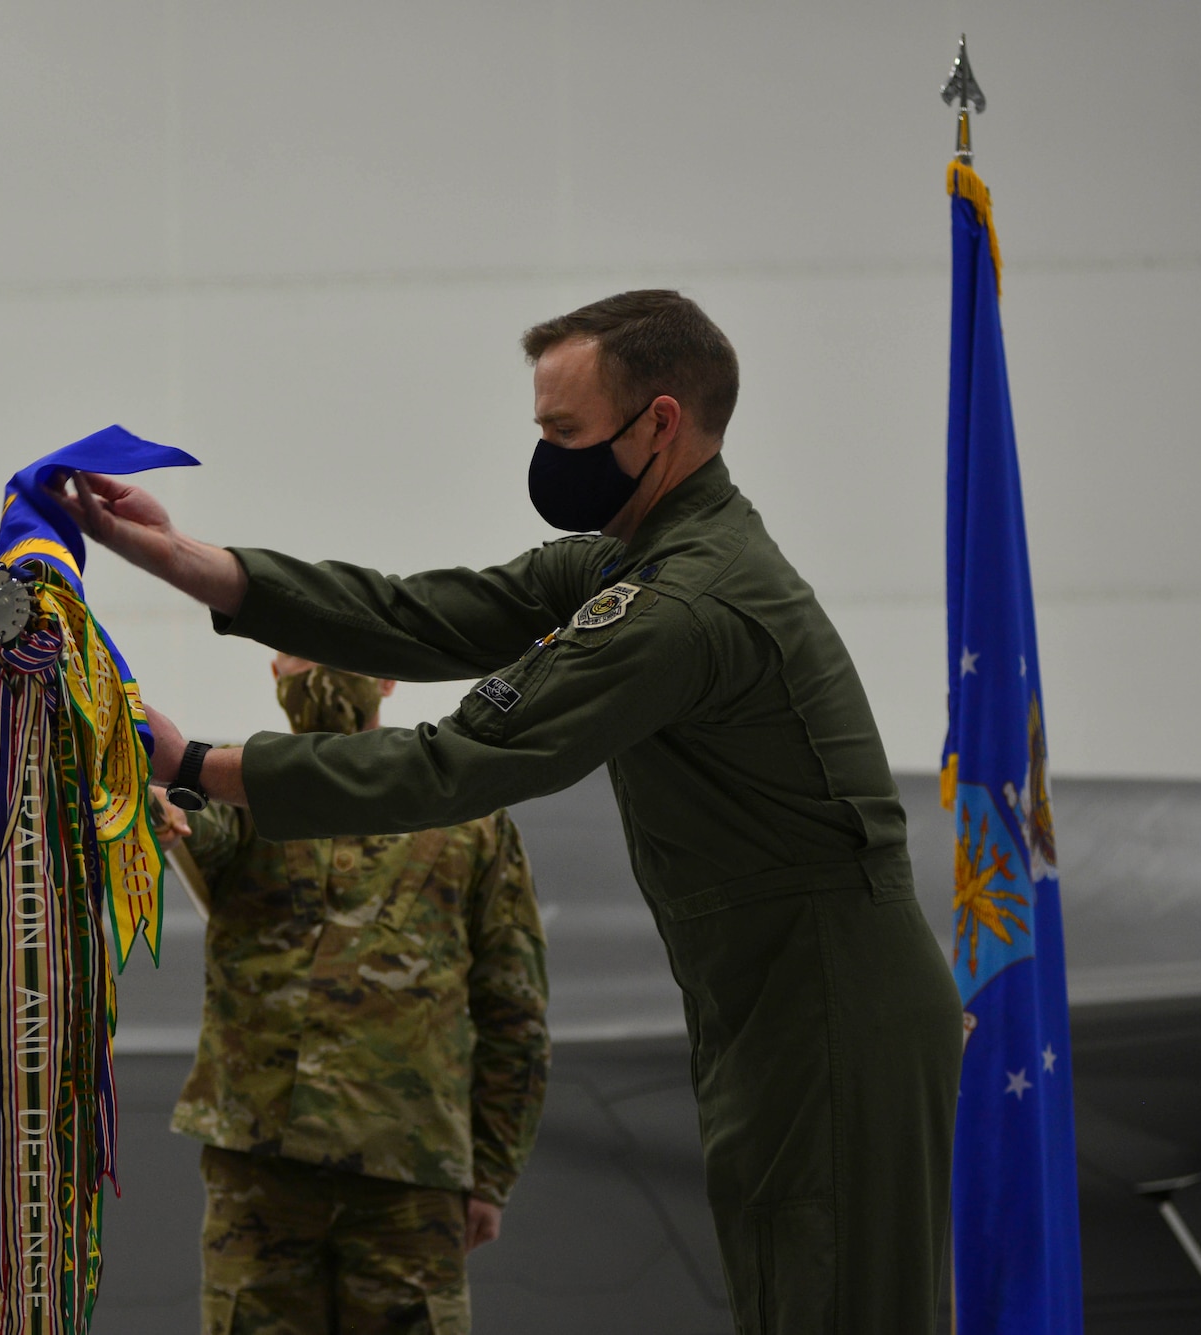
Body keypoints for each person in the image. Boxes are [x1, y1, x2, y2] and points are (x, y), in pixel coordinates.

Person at [59, 290, 964, 1333]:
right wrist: (183, 561)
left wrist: (197, 765)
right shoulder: (636, 556)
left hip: (826, 996)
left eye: (563, 432)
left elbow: (461, 762)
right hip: (773, 990)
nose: (543, 455)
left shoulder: (683, 604)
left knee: (827, 1300)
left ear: (657, 424)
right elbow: (422, 615)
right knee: (790, 1288)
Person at [153, 655, 548, 1335]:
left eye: (334, 645)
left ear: (391, 676)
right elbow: (191, 827)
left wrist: (492, 1172)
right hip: (261, 1174)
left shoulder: (468, 812)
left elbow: (513, 1005)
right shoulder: (239, 789)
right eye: (294, 648)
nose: (310, 664)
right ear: (272, 668)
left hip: (407, 1175)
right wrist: (148, 782)